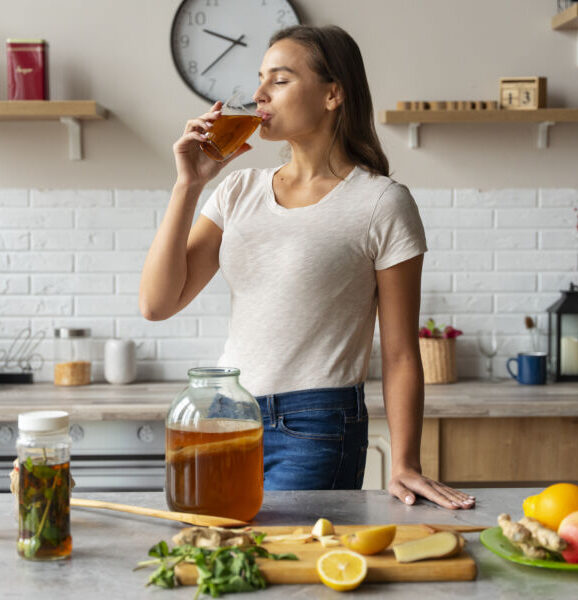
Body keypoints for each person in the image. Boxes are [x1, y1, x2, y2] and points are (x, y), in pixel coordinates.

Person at [139, 25, 475, 510]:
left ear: (332, 94)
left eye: (279, 80)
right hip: (228, 415)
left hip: (316, 426)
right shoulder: (237, 190)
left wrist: (405, 463)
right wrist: (187, 185)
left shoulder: (382, 202)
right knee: (222, 556)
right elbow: (156, 303)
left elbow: (401, 353)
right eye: (259, 79)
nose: (257, 95)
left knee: (290, 567)